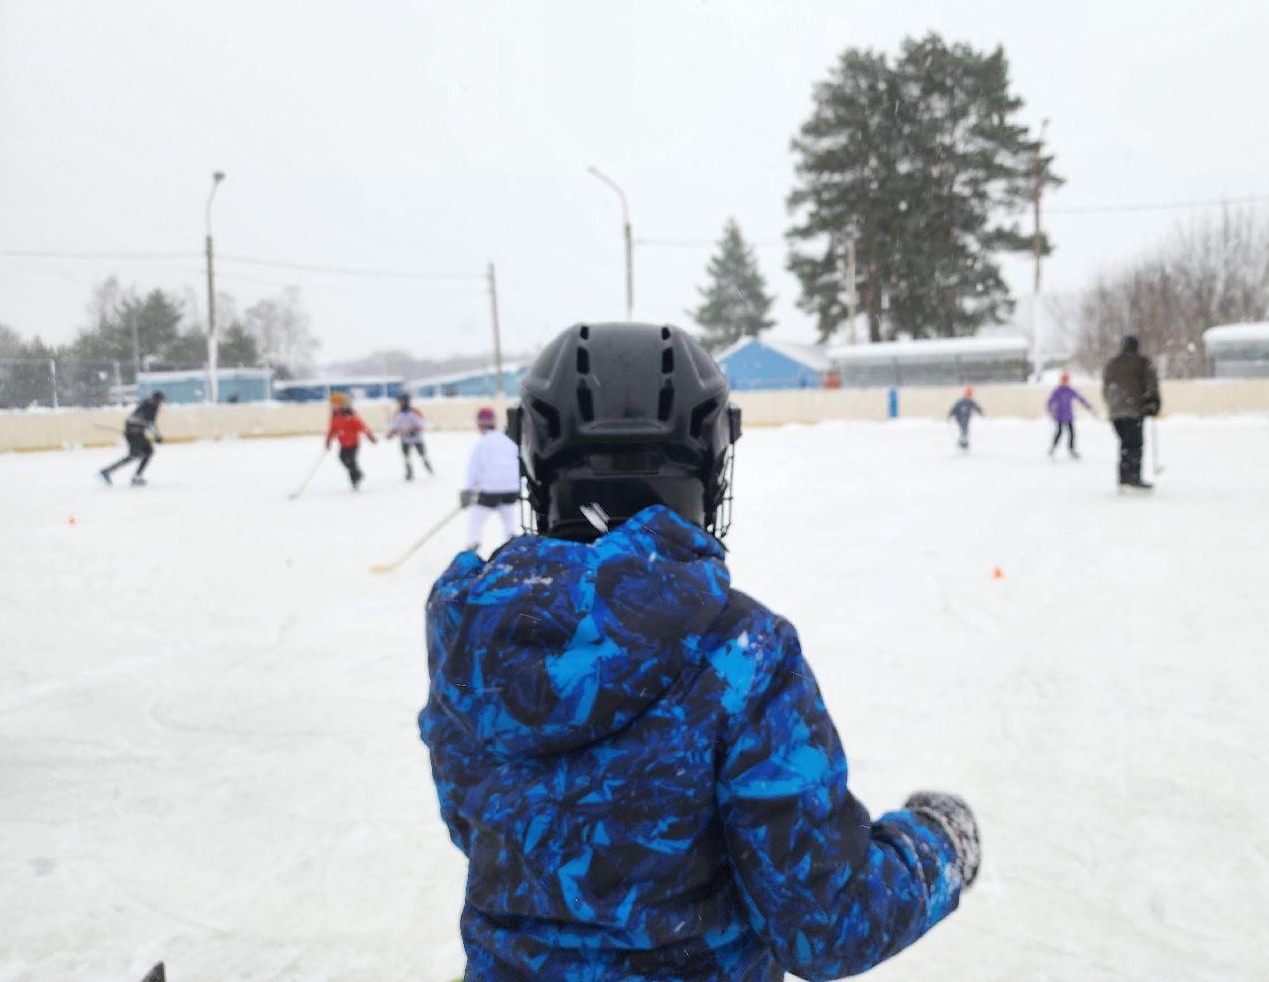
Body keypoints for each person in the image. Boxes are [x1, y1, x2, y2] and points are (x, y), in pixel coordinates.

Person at [420, 323, 980, 981]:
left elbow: (482, 832)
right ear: (711, 467)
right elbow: (826, 925)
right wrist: (937, 844)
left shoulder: (476, 639)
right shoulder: (743, 651)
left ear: (538, 466)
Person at [1102, 335, 1162, 490]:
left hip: (1116, 412)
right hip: (1134, 410)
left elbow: (1106, 388)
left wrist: (1112, 405)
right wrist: (1153, 404)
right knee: (1135, 444)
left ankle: (1124, 476)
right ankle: (1133, 477)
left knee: (1125, 444)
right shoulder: (1142, 362)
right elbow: (1151, 384)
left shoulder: (1112, 363)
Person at [460, 405, 520, 551]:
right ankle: (512, 538)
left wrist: (469, 489)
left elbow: (474, 468)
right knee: (507, 511)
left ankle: (473, 542)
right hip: (512, 487)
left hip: (491, 488)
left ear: (480, 424)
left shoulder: (482, 443)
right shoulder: (508, 440)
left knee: (477, 515)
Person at [99, 391, 166, 486]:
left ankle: (135, 476)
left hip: (135, 432)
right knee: (136, 454)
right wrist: (157, 436)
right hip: (135, 433)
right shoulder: (152, 405)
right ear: (159, 399)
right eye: (162, 400)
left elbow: (141, 421)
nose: (162, 403)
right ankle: (107, 471)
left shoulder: (147, 403)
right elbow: (150, 423)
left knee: (147, 451)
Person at [325, 391, 377, 490]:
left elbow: (361, 426)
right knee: (342, 459)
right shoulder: (334, 417)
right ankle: (358, 474)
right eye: (332, 404)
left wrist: (370, 436)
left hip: (353, 443)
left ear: (341, 404)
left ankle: (354, 480)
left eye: (335, 404)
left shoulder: (350, 415)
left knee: (351, 461)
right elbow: (332, 430)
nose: (333, 406)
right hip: (343, 443)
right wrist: (328, 441)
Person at [1045, 372, 1094, 458]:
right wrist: (1050, 409)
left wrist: (1088, 406)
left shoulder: (1070, 390)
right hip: (1059, 416)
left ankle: (1071, 449)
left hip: (1069, 416)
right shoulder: (1057, 391)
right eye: (1063, 380)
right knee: (1059, 432)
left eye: (1066, 380)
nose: (1064, 382)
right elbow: (1050, 401)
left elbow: (1080, 398)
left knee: (1072, 433)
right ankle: (1053, 447)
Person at [387, 392, 434, 481]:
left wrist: (416, 430)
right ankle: (409, 472)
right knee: (406, 457)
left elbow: (422, 422)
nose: (400, 403)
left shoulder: (414, 412)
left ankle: (427, 465)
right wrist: (391, 433)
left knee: (422, 454)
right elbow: (395, 425)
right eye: (399, 401)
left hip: (417, 438)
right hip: (405, 439)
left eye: (402, 401)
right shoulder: (398, 414)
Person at [948, 385, 983, 450]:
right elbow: (954, 408)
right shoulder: (960, 402)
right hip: (959, 418)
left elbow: (976, 407)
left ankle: (963, 441)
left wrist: (980, 411)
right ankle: (963, 441)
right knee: (964, 429)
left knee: (965, 430)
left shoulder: (970, 402)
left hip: (967, 418)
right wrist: (950, 415)